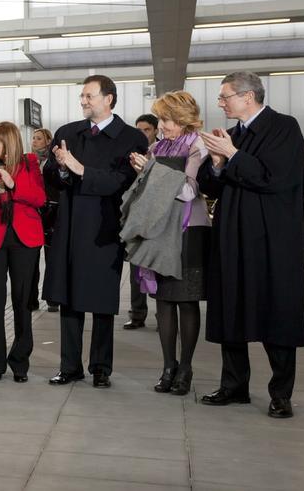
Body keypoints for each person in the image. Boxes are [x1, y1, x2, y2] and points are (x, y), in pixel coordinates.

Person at [197, 71, 304, 418]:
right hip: (232, 236)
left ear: (248, 96)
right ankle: (234, 385)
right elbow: (210, 186)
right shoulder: (230, 136)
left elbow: (275, 178)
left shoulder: (284, 128)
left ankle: (280, 393)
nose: (220, 102)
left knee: (277, 312)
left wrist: (232, 155)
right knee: (232, 308)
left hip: (272, 239)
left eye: (224, 96)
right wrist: (215, 165)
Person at [44, 75, 148, 389]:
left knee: (102, 299)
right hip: (70, 224)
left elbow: (123, 181)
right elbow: (51, 175)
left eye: (89, 96)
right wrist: (62, 168)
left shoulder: (131, 138)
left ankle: (101, 367)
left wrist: (80, 170)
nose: (84, 101)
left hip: (105, 226)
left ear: (109, 99)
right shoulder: (67, 132)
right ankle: (70, 366)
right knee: (68, 297)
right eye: (83, 96)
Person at [125, 92, 209, 396]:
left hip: (188, 228)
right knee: (162, 302)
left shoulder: (199, 145)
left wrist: (150, 171)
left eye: (165, 120)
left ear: (183, 118)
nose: (160, 126)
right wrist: (142, 174)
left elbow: (188, 191)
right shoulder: (157, 147)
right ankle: (168, 366)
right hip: (159, 228)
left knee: (186, 300)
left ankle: (185, 368)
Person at [0, 122, 45, 382]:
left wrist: (13, 185)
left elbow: (39, 198)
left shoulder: (29, 163)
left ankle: (20, 362)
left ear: (8, 144)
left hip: (25, 238)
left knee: (23, 302)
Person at [124, 114, 160, 330]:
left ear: (156, 130)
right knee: (136, 268)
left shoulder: (161, 151)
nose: (142, 134)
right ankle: (137, 314)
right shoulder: (131, 153)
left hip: (156, 217)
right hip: (136, 217)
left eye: (146, 129)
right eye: (139, 129)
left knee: (156, 266)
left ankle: (161, 315)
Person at [31, 127, 58, 312]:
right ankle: (31, 298)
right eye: (33, 138)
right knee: (31, 260)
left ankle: (52, 298)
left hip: (51, 213)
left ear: (48, 141)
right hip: (33, 213)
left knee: (51, 258)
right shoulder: (29, 161)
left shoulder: (54, 161)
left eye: (39, 138)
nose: (34, 141)